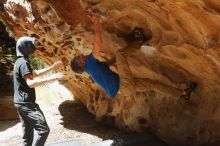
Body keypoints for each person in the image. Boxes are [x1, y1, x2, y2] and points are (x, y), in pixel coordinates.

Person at [71, 13, 197, 100]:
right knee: (121, 54)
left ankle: (182, 94)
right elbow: (98, 43)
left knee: (152, 84)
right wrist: (95, 21)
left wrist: (120, 58)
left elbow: (107, 64)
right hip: (123, 86)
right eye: (78, 58)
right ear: (81, 63)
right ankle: (139, 42)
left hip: (125, 89)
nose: (79, 55)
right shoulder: (90, 64)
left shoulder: (90, 69)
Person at [13, 36, 64, 146]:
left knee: (27, 136)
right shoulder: (23, 63)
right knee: (43, 130)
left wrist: (52, 68)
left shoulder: (19, 61)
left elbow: (34, 73)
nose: (33, 47)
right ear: (24, 47)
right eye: (30, 45)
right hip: (26, 103)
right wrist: (53, 78)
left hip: (20, 102)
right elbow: (30, 83)